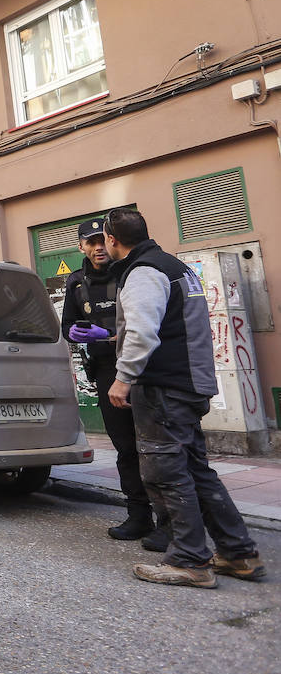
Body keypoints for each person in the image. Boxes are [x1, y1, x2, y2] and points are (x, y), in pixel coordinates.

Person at [104, 207, 265, 588]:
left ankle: (191, 560)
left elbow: (144, 332)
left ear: (112, 240)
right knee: (196, 472)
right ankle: (238, 553)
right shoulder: (176, 267)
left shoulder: (144, 272)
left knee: (166, 474)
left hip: (162, 389)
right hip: (188, 384)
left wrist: (123, 378)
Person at [60, 217, 161, 541]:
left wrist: (114, 335)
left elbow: (146, 325)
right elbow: (67, 327)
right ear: (81, 247)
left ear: (111, 241)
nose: (98, 248)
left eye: (101, 241)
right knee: (125, 448)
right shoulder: (76, 283)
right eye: (90, 243)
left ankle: (171, 522)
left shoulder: (130, 274)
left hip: (143, 370)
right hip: (106, 372)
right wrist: (74, 334)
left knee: (156, 447)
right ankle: (139, 516)